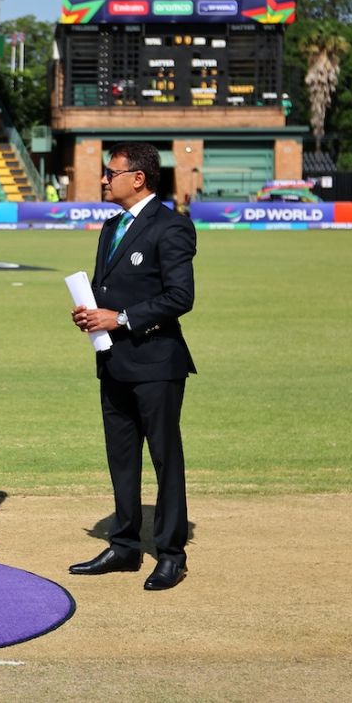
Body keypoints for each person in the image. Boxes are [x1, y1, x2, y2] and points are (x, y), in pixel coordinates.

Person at [69, 141, 196, 591]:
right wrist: (91, 314)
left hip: (158, 362)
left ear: (137, 178)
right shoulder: (110, 227)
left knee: (165, 460)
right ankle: (124, 546)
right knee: (121, 460)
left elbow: (181, 297)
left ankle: (171, 554)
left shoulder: (172, 227)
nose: (104, 179)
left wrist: (119, 318)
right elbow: (110, 293)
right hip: (113, 362)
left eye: (111, 172)